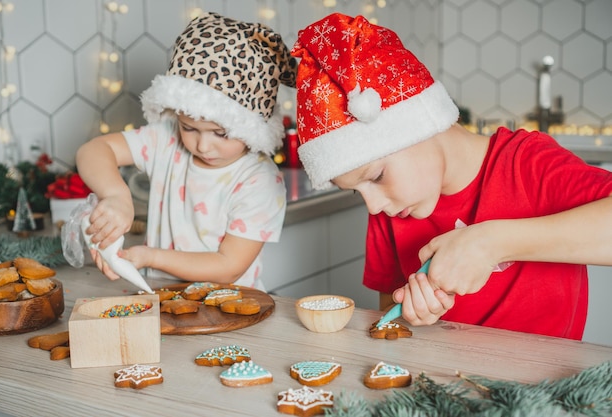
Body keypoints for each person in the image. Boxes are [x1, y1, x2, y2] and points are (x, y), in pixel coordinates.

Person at [290, 12, 612, 340]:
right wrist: (415, 312)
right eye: (357, 192)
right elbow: (390, 312)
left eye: (375, 177)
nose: (372, 207)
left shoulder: (527, 163)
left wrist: (491, 244)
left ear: (418, 126)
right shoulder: (393, 208)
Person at [76, 12, 297, 291]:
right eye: (188, 127)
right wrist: (116, 196)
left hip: (231, 309)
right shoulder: (165, 139)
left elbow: (229, 266)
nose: (203, 146)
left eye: (221, 133)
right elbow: (93, 150)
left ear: (251, 127)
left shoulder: (259, 180)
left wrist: (151, 257)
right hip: (162, 300)